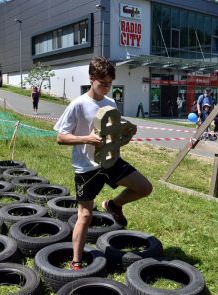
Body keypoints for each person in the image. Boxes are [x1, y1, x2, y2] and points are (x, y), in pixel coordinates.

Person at [53, 57, 152, 271]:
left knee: (145, 188)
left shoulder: (110, 103)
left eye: (110, 83)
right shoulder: (78, 104)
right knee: (85, 215)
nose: (107, 87)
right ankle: (76, 261)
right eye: (103, 83)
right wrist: (86, 138)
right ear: (91, 78)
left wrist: (127, 129)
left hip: (110, 160)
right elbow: (61, 137)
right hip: (86, 167)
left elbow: (113, 129)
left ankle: (114, 205)